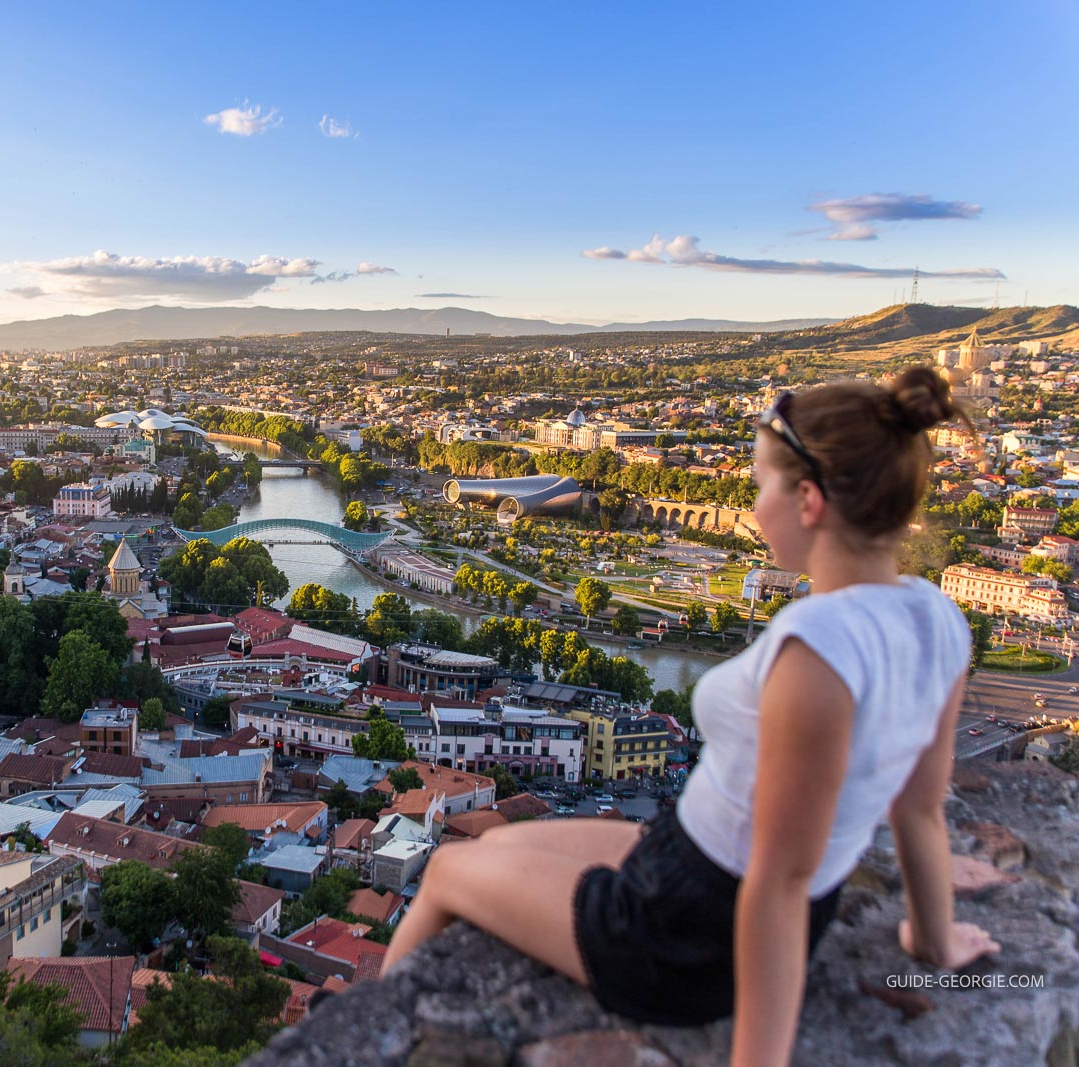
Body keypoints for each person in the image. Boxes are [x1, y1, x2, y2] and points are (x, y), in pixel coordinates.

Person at [382, 367, 999, 1064]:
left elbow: (778, 881)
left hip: (683, 931)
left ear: (809, 500)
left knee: (448, 870)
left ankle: (360, 1047)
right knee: (495, 847)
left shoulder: (817, 652)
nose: (751, 503)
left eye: (760, 483)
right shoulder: (938, 619)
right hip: (690, 864)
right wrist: (933, 938)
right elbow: (920, 809)